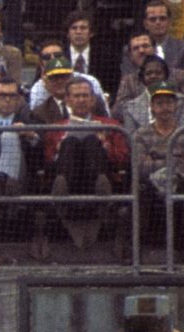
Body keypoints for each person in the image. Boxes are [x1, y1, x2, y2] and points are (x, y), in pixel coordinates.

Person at [44, 76, 128, 251]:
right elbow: (48, 159)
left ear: (93, 99)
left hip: (98, 173)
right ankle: (62, 188)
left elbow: (122, 157)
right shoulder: (56, 127)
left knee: (91, 140)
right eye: (76, 96)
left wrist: (104, 143)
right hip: (69, 174)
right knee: (70, 143)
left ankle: (101, 187)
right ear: (67, 99)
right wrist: (60, 146)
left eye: (85, 95)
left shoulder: (111, 125)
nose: (81, 100)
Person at [132, 81, 184, 261]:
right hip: (150, 185)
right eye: (160, 103)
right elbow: (139, 167)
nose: (165, 108)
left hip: (181, 182)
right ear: (152, 107)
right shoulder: (140, 134)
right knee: (139, 188)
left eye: (169, 103)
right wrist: (176, 159)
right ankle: (136, 249)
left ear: (176, 105)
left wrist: (156, 158)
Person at [120, 0, 184, 91]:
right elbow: (127, 83)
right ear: (145, 24)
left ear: (169, 21)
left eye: (162, 18)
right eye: (152, 19)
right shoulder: (132, 49)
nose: (158, 22)